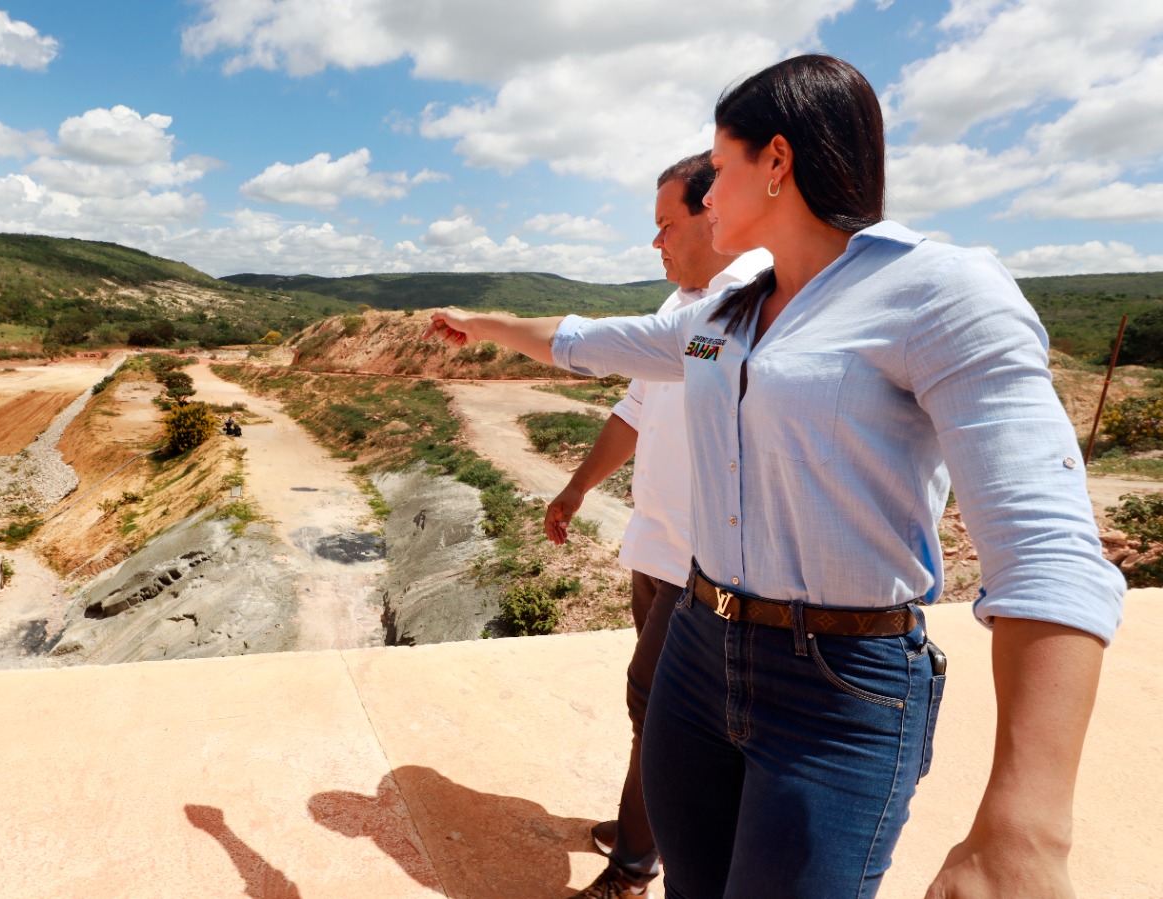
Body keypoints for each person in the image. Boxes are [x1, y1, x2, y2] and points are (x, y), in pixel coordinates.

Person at [423, 54, 1123, 899]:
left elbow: (1046, 548)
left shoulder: (940, 294)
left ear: (778, 164)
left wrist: (1027, 828)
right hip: (699, 646)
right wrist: (483, 322)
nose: (707, 194)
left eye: (718, 170)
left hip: (837, 684)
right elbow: (587, 340)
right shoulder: (724, 312)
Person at [545, 151, 769, 899]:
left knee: (659, 709)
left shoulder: (745, 302)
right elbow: (634, 412)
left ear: (714, 214)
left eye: (666, 224)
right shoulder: (685, 311)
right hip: (658, 548)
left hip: (706, 565)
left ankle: (636, 862)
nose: (657, 243)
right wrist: (577, 488)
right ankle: (651, 824)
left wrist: (491, 326)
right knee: (653, 708)